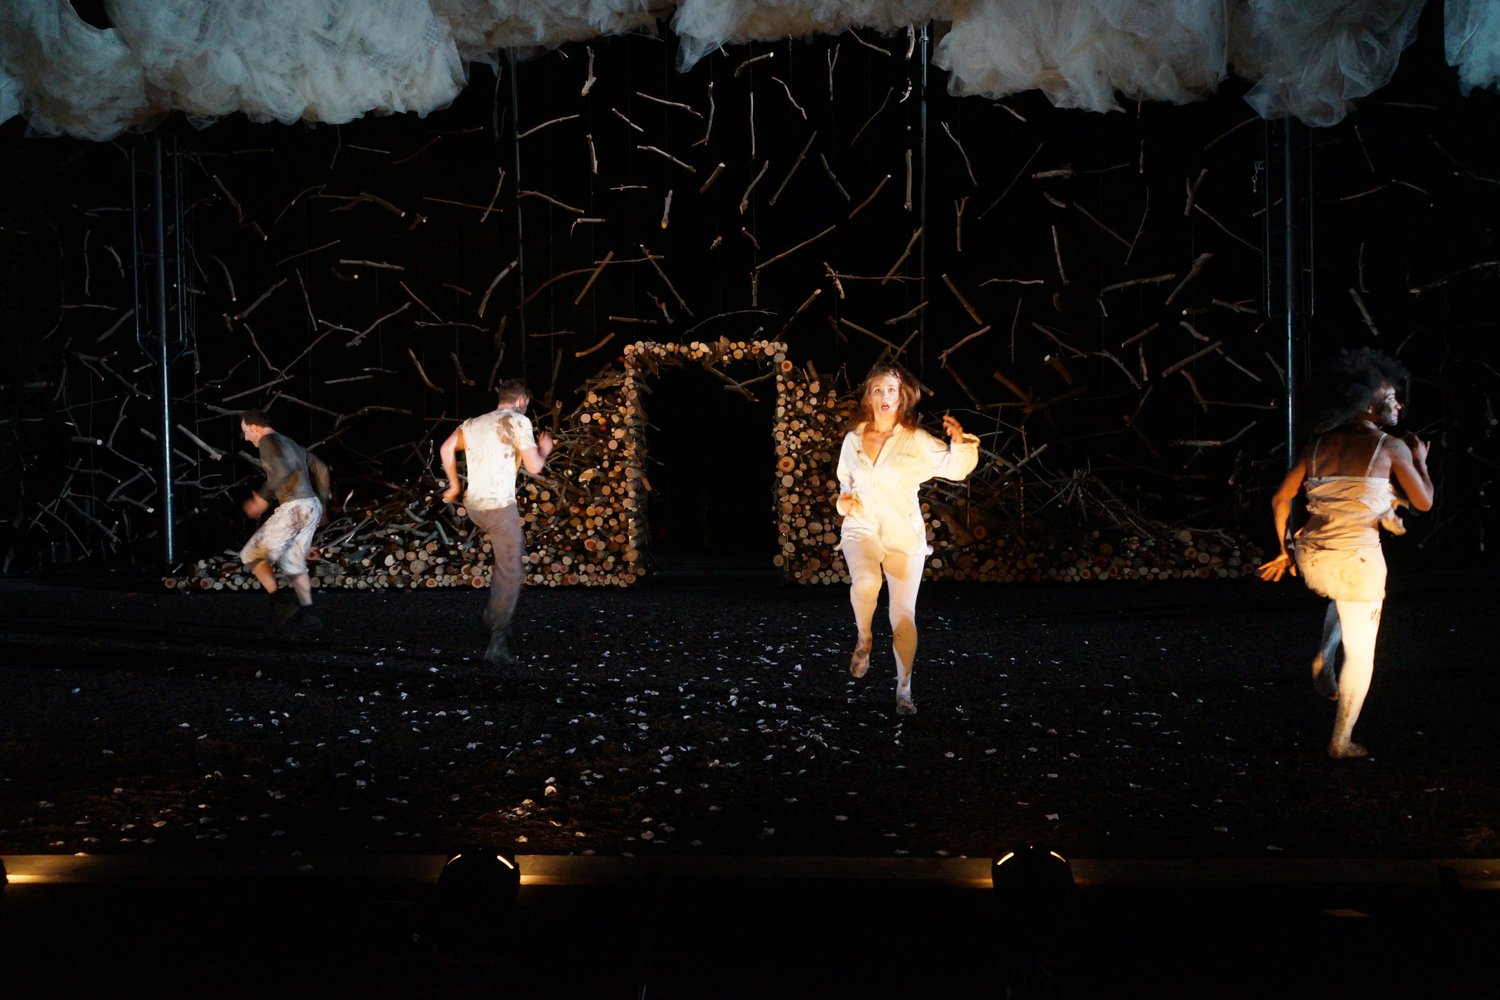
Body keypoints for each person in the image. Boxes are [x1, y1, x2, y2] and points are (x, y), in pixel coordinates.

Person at [1258, 347, 1434, 759]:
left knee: (1345, 596)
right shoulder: (1391, 447)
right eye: (1391, 399)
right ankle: (1341, 742)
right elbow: (1424, 502)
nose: (1398, 405)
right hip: (1356, 562)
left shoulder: (1317, 445)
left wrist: (1283, 549)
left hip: (1313, 558)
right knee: (1362, 653)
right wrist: (1421, 462)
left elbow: (1280, 499)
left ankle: (1325, 652)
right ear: (1368, 404)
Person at [835, 364, 980, 715]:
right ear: (869, 397)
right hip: (861, 528)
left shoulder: (914, 440)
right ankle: (864, 637)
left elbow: (955, 468)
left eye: (891, 390)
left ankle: (904, 689)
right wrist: (843, 503)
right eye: (878, 390)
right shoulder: (853, 440)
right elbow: (844, 485)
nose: (885, 396)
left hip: (902, 535)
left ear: (903, 398)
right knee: (866, 581)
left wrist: (960, 443)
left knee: (902, 616)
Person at [440, 379, 553, 665]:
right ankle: (497, 640)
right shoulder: (517, 421)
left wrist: (454, 485)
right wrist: (545, 449)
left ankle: (493, 615)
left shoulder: (473, 424)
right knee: (510, 571)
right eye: (526, 404)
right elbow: (535, 467)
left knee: (505, 562)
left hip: (474, 506)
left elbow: (446, 448)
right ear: (520, 401)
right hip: (499, 507)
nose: (526, 408)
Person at [239, 408, 330, 629]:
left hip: (294, 507)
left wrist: (261, 500)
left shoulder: (267, 441)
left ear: (254, 427)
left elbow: (281, 472)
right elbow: (321, 469)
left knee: (250, 554)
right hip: (311, 506)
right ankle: (309, 613)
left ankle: (281, 603)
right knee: (293, 562)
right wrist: (323, 505)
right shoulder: (291, 443)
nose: (246, 438)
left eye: (246, 432)